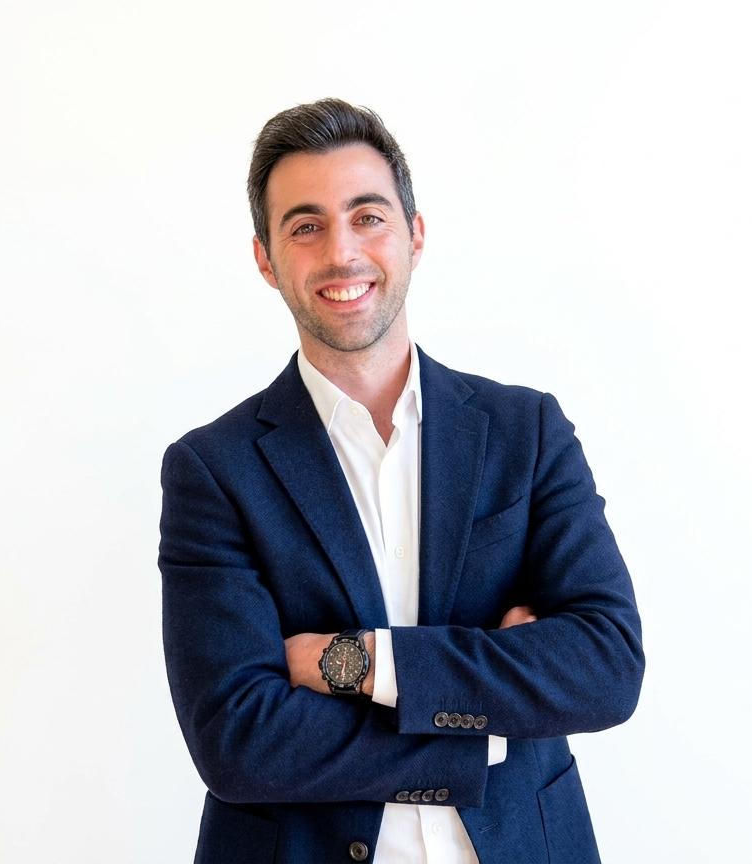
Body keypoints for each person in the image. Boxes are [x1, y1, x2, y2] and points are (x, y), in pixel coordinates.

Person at [158, 98, 643, 864]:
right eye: (305, 226)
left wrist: (353, 664)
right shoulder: (214, 470)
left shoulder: (525, 431)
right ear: (265, 259)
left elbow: (604, 668)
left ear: (414, 235)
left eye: (368, 217)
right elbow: (239, 740)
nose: (341, 252)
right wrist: (479, 728)